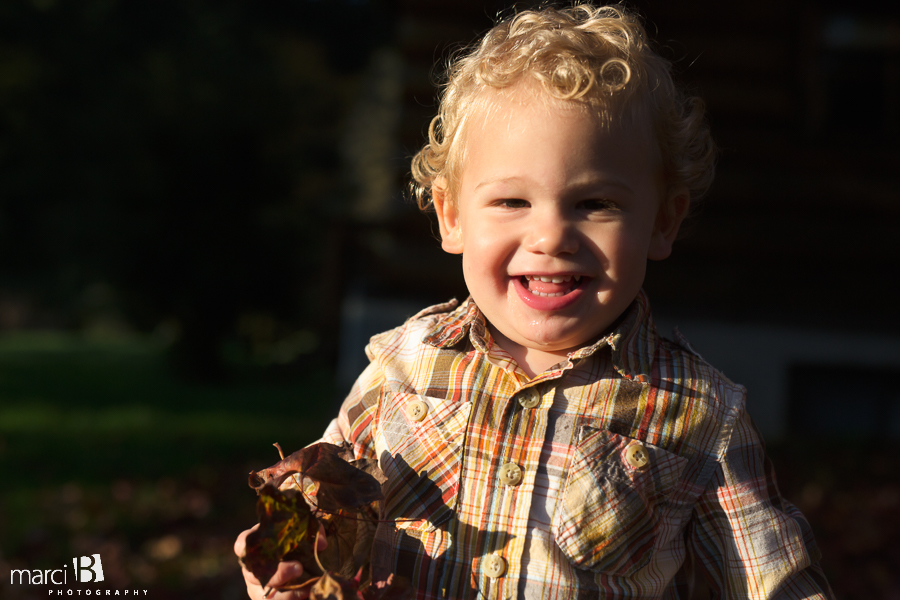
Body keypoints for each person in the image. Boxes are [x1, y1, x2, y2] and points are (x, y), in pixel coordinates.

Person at [235, 4, 834, 598]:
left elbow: (774, 585)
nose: (550, 236)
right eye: (511, 202)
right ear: (451, 217)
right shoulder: (404, 368)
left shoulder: (698, 415)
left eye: (595, 203)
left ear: (663, 222)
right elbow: (322, 503)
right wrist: (290, 560)